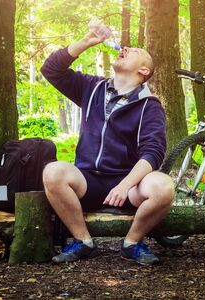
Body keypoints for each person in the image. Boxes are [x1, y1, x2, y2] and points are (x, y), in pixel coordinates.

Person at [40, 30, 174, 266]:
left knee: (163, 186)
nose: (125, 49)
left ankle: (132, 243)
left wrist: (125, 185)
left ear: (143, 71)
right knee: (53, 171)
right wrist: (86, 41)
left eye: (134, 51)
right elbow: (51, 70)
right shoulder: (91, 88)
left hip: (128, 186)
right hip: (88, 182)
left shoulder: (150, 106)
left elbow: (153, 152)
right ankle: (83, 242)